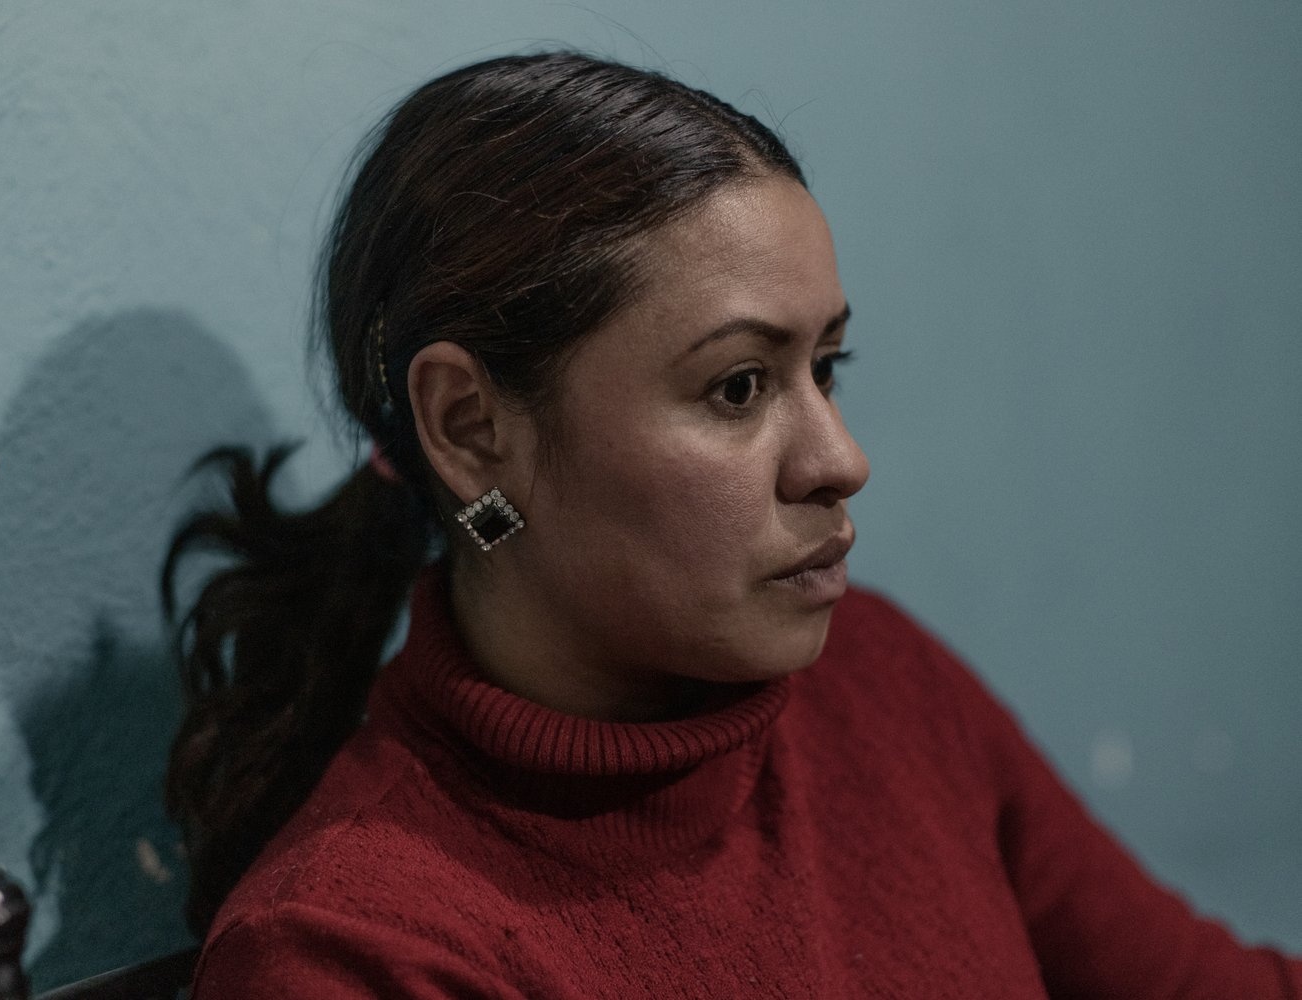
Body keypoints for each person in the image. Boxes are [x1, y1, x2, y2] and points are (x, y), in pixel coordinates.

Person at [163, 51, 1300, 997]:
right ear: (469, 428)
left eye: (829, 366)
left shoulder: (878, 683)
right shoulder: (356, 949)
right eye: (739, 388)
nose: (840, 460)